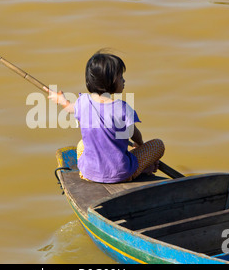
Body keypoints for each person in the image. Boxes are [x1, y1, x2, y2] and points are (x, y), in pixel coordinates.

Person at [48, 51, 165, 183]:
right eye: (121, 77)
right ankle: (142, 169)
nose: (124, 80)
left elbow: (69, 108)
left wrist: (61, 99)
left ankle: (141, 168)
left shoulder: (83, 102)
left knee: (81, 145)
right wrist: (139, 145)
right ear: (110, 82)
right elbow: (133, 133)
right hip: (121, 175)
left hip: (88, 173)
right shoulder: (122, 108)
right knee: (158, 145)